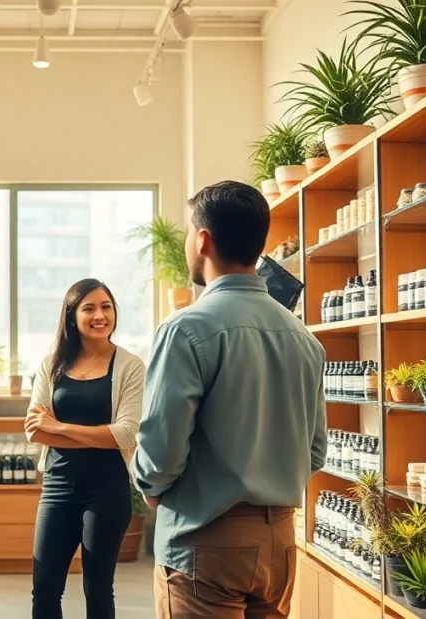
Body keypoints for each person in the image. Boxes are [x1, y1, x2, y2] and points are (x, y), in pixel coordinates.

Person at [131, 181, 327, 619]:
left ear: (203, 239)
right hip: (280, 544)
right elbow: (314, 451)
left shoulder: (185, 329)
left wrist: (149, 486)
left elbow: (161, 452)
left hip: (204, 540)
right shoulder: (304, 338)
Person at [24, 278, 146, 619]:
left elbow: (125, 433)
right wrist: (93, 434)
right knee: (45, 587)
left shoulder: (130, 365)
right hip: (57, 487)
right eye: (89, 308)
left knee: (97, 587)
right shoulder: (51, 364)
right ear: (71, 315)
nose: (99, 315)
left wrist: (59, 427)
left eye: (106, 307)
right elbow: (34, 431)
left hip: (107, 490)